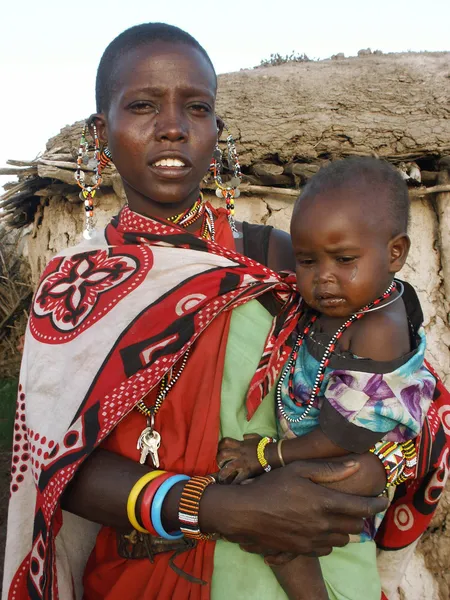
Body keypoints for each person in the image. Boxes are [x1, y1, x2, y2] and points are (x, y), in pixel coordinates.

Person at [2, 23, 448, 600]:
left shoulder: (284, 261)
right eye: (141, 106)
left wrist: (376, 469)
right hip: (142, 576)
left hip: (293, 569)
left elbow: (397, 393)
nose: (170, 128)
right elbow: (54, 465)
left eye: (196, 108)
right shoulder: (73, 288)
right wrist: (222, 508)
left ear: (218, 132)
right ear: (101, 134)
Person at [216, 158, 436, 599]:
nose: (323, 278)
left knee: (277, 521)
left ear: (395, 253)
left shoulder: (378, 328)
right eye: (307, 261)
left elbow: (342, 433)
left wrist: (266, 455)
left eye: (344, 259)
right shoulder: (339, 301)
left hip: (355, 456)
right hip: (321, 448)